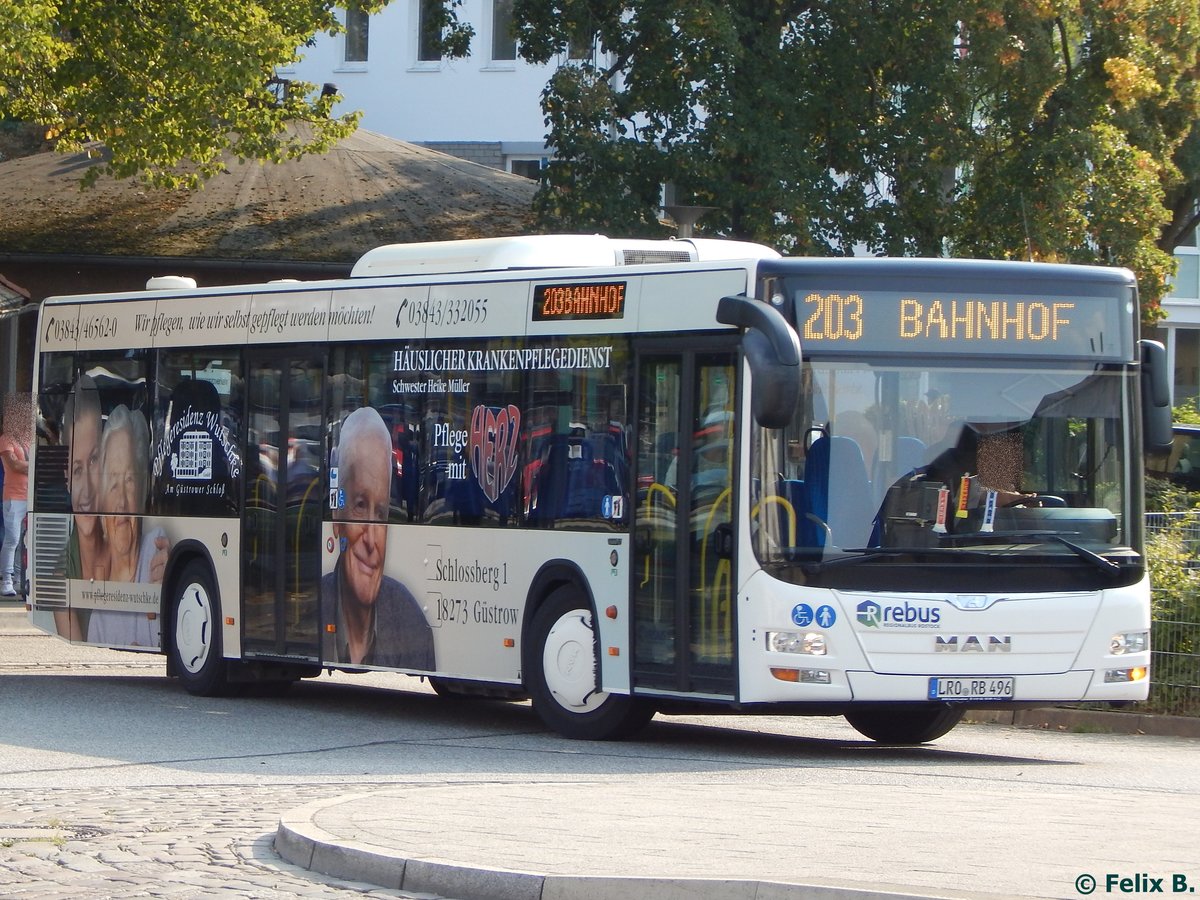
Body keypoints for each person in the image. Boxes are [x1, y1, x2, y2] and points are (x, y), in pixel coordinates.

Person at [321, 406, 434, 669]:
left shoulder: (413, 625)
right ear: (337, 514)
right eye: (360, 506)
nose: (372, 540)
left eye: (381, 512)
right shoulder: (306, 608)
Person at [86, 405, 167, 646]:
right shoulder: (99, 616)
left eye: (129, 481)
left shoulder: (157, 549)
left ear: (143, 489)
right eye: (112, 484)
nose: (121, 502)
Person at [57, 375, 108, 639]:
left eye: (94, 460)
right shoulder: (61, 574)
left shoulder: (129, 550)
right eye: (77, 470)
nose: (87, 489)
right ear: (66, 478)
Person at [0, 393, 31, 596]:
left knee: (26, 540)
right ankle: (6, 580)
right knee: (12, 540)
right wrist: (35, 466)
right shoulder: (6, 439)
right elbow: (14, 464)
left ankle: (21, 579)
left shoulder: (28, 440)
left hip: (29, 496)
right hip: (14, 497)